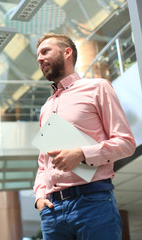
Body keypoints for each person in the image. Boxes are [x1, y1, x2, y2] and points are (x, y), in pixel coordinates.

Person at [33, 33, 136, 239]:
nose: (39, 59)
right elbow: (44, 164)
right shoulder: (46, 108)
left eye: (45, 52)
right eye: (38, 55)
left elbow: (126, 143)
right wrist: (39, 197)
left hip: (93, 203)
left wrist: (81, 154)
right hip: (52, 211)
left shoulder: (97, 87)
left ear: (67, 52)